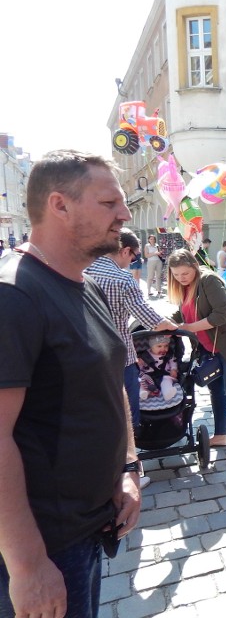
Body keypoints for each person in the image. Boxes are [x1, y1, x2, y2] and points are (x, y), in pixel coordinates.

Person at [0, 149, 142, 618]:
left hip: (89, 529)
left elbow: (110, 379)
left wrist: (127, 467)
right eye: (108, 204)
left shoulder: (87, 284)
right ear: (59, 205)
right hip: (46, 546)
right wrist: (26, 565)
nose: (124, 214)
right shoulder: (15, 294)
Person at [86, 227, 177, 486]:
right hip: (119, 356)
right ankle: (129, 474)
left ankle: (99, 469)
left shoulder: (84, 270)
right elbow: (150, 317)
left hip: (87, 356)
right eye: (134, 256)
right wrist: (169, 324)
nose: (133, 261)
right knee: (127, 416)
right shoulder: (122, 279)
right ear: (125, 250)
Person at [166, 248, 226, 465]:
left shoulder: (209, 281)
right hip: (210, 346)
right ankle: (222, 435)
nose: (181, 279)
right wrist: (167, 322)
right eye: (176, 275)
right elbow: (181, 313)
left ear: (194, 267)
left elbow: (221, 315)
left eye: (185, 274)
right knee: (216, 390)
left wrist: (186, 327)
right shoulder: (185, 287)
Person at [137, 335, 180, 402]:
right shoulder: (145, 355)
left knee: (167, 381)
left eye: (166, 346)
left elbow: (173, 362)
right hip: (148, 377)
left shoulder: (169, 354)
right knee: (141, 381)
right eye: (159, 346)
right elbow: (139, 368)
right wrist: (139, 365)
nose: (163, 349)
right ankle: (143, 393)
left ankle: (167, 393)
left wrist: (173, 369)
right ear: (151, 347)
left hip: (164, 375)